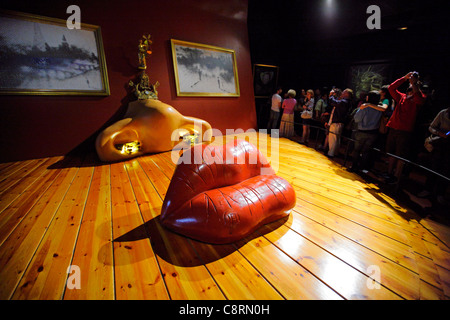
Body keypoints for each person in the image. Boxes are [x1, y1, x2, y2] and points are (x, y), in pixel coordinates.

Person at [384, 71, 426, 183]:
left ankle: (396, 176)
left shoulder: (419, 97)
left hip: (404, 130)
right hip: (394, 127)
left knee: (400, 155)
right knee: (391, 153)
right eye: (410, 84)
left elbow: (420, 99)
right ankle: (389, 173)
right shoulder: (402, 97)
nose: (411, 85)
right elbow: (391, 88)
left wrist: (415, 84)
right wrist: (404, 78)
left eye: (413, 84)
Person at [417, 106, 450, 207]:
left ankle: (440, 193)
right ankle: (427, 189)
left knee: (446, 170)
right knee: (434, 167)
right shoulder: (443, 113)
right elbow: (431, 127)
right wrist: (439, 133)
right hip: (440, 144)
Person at [349, 90, 385, 172]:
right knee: (366, 151)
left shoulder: (365, 107)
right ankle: (362, 168)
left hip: (362, 132)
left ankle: (354, 166)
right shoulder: (379, 108)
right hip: (373, 133)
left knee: (357, 150)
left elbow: (357, 119)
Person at [327, 88, 353, 158]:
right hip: (339, 122)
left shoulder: (344, 102)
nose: (342, 93)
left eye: (344, 92)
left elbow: (333, 102)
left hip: (337, 122)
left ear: (347, 94)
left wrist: (331, 95)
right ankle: (335, 153)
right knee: (337, 138)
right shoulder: (347, 102)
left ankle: (331, 154)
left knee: (333, 138)